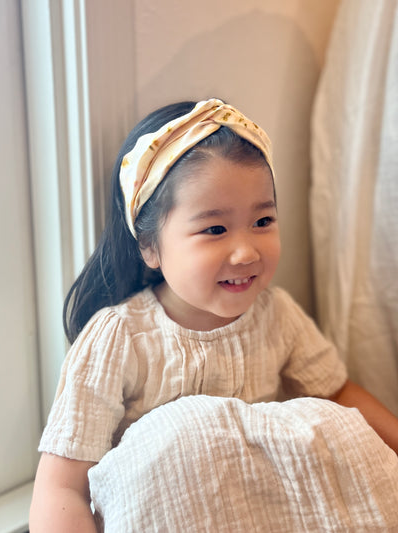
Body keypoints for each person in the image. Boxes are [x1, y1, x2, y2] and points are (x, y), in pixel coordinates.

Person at [29, 98, 398, 532]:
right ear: (149, 246)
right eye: (215, 229)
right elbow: (61, 489)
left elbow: (338, 395)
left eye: (263, 221)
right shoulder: (119, 338)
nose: (246, 252)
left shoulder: (276, 314)